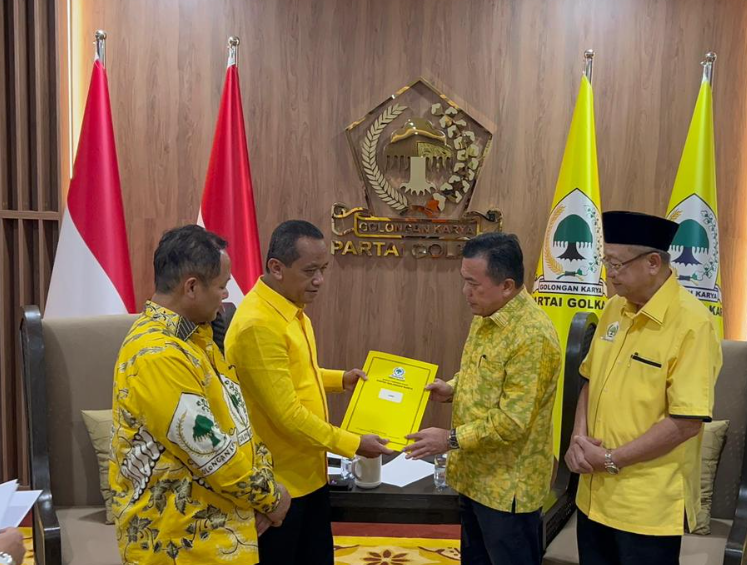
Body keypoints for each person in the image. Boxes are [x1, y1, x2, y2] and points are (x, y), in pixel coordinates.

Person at [110, 225, 290, 565]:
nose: (226, 295)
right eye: (221, 286)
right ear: (191, 287)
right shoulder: (156, 354)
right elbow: (211, 452)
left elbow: (239, 421)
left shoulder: (196, 337)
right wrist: (272, 498)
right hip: (181, 544)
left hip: (220, 529)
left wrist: (266, 485)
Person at [225, 220, 393, 565]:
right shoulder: (259, 324)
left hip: (308, 473)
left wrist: (340, 379)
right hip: (281, 485)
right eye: (310, 271)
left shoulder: (290, 310)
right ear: (277, 268)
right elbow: (287, 415)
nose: (319, 280)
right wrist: (353, 443)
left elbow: (293, 376)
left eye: (323, 269)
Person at [564, 211, 722, 565]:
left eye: (617, 264)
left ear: (653, 263)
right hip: (593, 496)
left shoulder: (693, 324)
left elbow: (686, 422)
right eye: (606, 261)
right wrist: (578, 439)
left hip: (646, 509)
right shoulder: (613, 309)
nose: (609, 273)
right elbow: (590, 379)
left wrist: (611, 460)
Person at [404, 232, 561, 565]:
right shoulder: (487, 314)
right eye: (465, 281)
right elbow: (481, 374)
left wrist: (448, 439)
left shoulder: (533, 336)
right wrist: (452, 388)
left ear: (506, 285)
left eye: (473, 284)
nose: (466, 292)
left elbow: (512, 421)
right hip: (473, 477)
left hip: (507, 490)